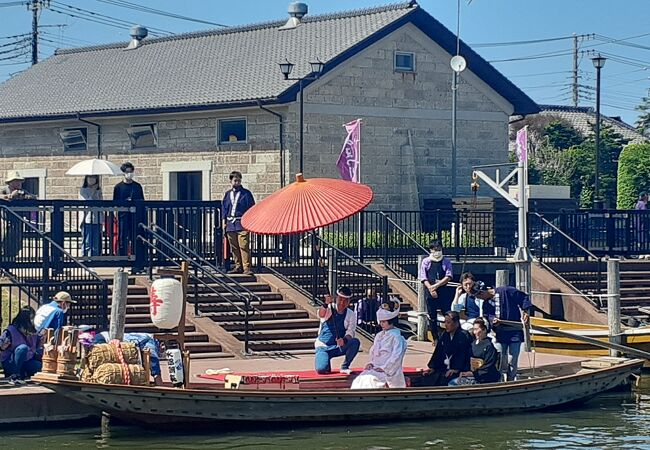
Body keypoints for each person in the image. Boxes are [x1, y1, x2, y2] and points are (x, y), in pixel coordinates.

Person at [473, 281, 532, 381]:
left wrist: (526, 311)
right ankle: (499, 380)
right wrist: (493, 321)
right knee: (500, 358)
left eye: (478, 296)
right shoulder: (486, 304)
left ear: (482, 292)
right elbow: (488, 317)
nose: (479, 299)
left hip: (514, 331)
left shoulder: (505, 291)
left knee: (512, 359)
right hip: (500, 333)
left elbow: (523, 297)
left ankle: (511, 380)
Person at [351, 297, 407, 389]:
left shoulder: (397, 338)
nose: (381, 324)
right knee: (360, 380)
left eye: (384, 322)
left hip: (389, 371)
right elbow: (373, 353)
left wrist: (384, 368)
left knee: (372, 381)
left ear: (391, 321)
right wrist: (371, 363)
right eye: (380, 322)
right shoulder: (379, 335)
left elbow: (396, 357)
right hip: (375, 367)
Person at [411, 311, 472, 387]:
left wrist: (456, 368)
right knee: (425, 378)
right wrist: (433, 367)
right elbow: (438, 352)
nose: (446, 325)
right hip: (443, 367)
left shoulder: (464, 336)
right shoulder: (444, 335)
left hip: (458, 369)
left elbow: (463, 354)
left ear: (456, 323)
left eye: (448, 322)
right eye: (445, 322)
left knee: (444, 380)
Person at [314, 287, 361, 375]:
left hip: (337, 346)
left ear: (349, 302)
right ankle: (325, 361)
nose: (342, 303)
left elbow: (350, 332)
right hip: (323, 346)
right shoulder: (329, 308)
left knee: (355, 342)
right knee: (321, 369)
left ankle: (345, 366)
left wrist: (344, 340)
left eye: (345, 301)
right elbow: (321, 314)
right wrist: (325, 304)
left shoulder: (351, 314)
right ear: (336, 298)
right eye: (340, 299)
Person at [94, 331, 163, 386]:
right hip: (105, 338)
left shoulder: (144, 336)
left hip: (102, 335)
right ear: (161, 345)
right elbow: (153, 358)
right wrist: (158, 379)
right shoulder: (151, 341)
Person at [418, 240, 453, 342]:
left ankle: (449, 336)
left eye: (439, 249)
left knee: (447, 314)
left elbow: (449, 276)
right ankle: (435, 338)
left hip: (443, 291)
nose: (437, 251)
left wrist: (436, 286)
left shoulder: (446, 261)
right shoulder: (426, 261)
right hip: (430, 291)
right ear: (431, 250)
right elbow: (423, 278)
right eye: (435, 249)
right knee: (432, 316)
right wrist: (430, 288)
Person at [221, 171, 255, 275]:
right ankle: (238, 265)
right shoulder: (227, 194)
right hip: (231, 224)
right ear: (230, 181)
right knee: (234, 247)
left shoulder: (246, 194)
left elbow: (251, 208)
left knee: (243, 245)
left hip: (242, 223)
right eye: (235, 180)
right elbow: (224, 209)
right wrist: (224, 222)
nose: (237, 182)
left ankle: (246, 267)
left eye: (239, 180)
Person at [448, 318, 500, 385]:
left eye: (476, 329)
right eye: (474, 329)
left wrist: (473, 373)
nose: (474, 332)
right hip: (473, 375)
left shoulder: (489, 346)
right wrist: (460, 370)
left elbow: (488, 366)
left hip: (485, 378)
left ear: (484, 330)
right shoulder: (472, 344)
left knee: (453, 384)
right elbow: (466, 359)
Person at [1, 170, 36, 261]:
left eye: (19, 181)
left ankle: (10, 264)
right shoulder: (4, 190)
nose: (19, 183)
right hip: (5, 220)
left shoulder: (22, 192)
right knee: (4, 241)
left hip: (17, 221)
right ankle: (4, 267)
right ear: (10, 183)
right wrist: (9, 196)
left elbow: (34, 198)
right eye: (16, 181)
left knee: (15, 244)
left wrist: (24, 197)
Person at [0, 306, 43, 380]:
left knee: (38, 366)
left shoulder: (33, 332)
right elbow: (1, 346)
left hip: (27, 361)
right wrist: (3, 346)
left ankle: (23, 374)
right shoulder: (10, 331)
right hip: (10, 363)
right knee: (23, 348)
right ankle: (14, 375)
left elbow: (36, 347)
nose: (33, 321)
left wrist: (42, 340)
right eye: (32, 318)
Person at [112, 162, 145, 257]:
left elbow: (142, 201)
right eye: (127, 172)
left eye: (131, 171)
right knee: (122, 238)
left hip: (136, 217)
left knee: (136, 237)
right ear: (123, 173)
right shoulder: (118, 187)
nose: (129, 174)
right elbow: (115, 203)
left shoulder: (137, 186)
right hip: (123, 216)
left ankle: (137, 261)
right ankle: (122, 259)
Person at [79, 175, 104, 257]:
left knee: (96, 241)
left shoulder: (99, 190)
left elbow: (101, 203)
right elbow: (86, 203)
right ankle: (85, 257)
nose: (91, 179)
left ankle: (95, 258)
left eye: (93, 177)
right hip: (87, 219)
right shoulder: (83, 190)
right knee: (87, 241)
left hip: (97, 219)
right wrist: (92, 192)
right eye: (90, 177)